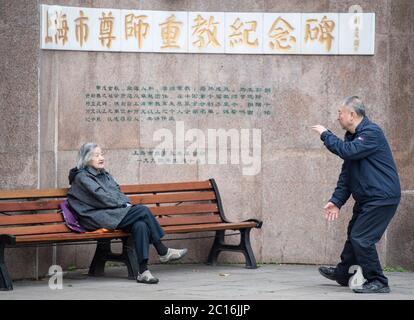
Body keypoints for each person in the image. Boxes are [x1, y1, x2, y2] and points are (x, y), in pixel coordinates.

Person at [311, 96, 401, 294]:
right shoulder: (351, 137)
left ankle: (378, 280)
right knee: (354, 235)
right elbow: (347, 174)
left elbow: (347, 152)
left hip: (382, 198)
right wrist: (336, 201)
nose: (338, 117)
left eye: (340, 113)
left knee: (362, 238)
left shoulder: (371, 133)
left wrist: (326, 135)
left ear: (352, 115)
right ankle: (344, 274)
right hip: (367, 198)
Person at [67, 142, 188, 284]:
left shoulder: (104, 174)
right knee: (143, 210)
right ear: (87, 158)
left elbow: (118, 193)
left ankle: (143, 272)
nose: (101, 158)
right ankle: (162, 250)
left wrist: (124, 203)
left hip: (111, 213)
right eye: (96, 155)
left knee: (141, 224)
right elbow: (102, 198)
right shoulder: (82, 177)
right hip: (95, 217)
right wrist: (123, 204)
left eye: (102, 154)